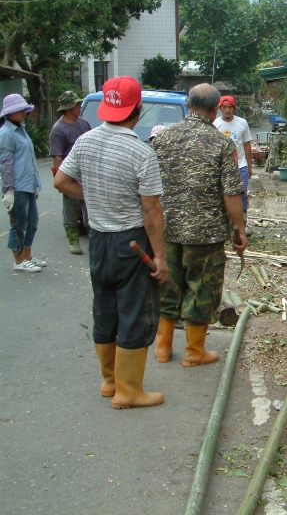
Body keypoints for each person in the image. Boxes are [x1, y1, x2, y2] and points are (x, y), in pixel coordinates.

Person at [54, 76, 168, 409]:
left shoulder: (86, 141)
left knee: (104, 307)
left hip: (99, 242)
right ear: (137, 109)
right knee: (134, 311)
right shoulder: (140, 151)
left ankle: (109, 381)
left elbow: (61, 180)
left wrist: (93, 199)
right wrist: (159, 256)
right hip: (130, 243)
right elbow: (151, 209)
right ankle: (129, 390)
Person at [151, 84, 247, 367]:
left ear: (188, 104)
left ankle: (163, 347)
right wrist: (239, 229)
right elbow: (232, 193)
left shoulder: (162, 138)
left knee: (169, 285)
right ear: (216, 108)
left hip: (167, 229)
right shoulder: (221, 143)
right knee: (202, 288)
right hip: (206, 234)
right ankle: (194, 352)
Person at [0, 94, 44, 273]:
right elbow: (6, 163)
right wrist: (8, 190)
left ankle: (28, 256)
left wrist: (34, 183)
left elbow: (28, 159)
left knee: (32, 223)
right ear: (10, 113)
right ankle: (18, 261)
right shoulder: (6, 133)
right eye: (19, 110)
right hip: (16, 186)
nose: (23, 113)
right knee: (18, 225)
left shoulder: (21, 129)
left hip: (27, 183)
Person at [49, 90, 91, 255]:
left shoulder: (84, 124)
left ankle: (92, 237)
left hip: (86, 174)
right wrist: (60, 179)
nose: (80, 107)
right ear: (68, 108)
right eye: (77, 104)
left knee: (89, 208)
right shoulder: (58, 130)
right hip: (70, 174)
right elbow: (57, 157)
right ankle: (73, 240)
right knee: (71, 209)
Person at [213, 96, 252, 222]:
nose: (227, 110)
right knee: (224, 194)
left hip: (240, 165)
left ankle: (242, 221)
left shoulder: (242, 123)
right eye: (224, 107)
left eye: (230, 107)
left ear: (234, 108)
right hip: (222, 166)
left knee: (242, 193)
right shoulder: (215, 124)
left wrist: (249, 166)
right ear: (220, 108)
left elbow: (246, 144)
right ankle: (227, 222)